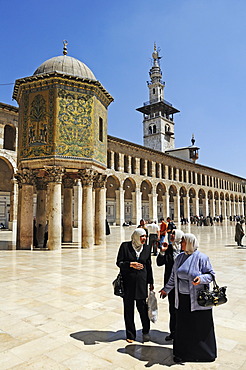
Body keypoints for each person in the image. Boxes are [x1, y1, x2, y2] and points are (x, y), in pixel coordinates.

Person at [159, 233, 217, 363]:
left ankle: (204, 354)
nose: (181, 244)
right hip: (183, 300)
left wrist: (201, 279)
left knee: (199, 327)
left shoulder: (202, 258)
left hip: (198, 301)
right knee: (184, 328)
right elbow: (174, 277)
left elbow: (211, 275)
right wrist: (166, 290)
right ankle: (182, 353)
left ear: (190, 243)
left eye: (183, 242)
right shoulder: (179, 258)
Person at [116, 228, 154, 343]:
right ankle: (130, 334)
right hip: (128, 283)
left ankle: (146, 328)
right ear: (136, 236)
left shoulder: (147, 248)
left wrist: (151, 282)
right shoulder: (125, 246)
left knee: (142, 307)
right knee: (128, 309)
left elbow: (148, 266)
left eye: (145, 236)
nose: (144, 239)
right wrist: (130, 264)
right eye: (142, 236)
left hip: (141, 282)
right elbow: (119, 262)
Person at [157, 229, 184, 341]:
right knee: (172, 308)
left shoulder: (185, 250)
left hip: (183, 285)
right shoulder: (168, 249)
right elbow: (159, 263)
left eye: (173, 234)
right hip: (170, 285)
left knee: (182, 309)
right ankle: (173, 332)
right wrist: (162, 251)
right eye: (171, 233)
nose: (171, 235)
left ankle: (182, 332)